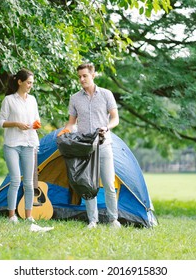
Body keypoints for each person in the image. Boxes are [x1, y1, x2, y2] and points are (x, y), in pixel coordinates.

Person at [58, 63, 121, 229]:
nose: (81, 79)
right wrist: (65, 131)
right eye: (79, 76)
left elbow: (115, 118)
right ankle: (93, 221)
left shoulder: (106, 94)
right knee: (88, 184)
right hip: (84, 148)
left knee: (108, 184)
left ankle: (113, 220)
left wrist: (107, 126)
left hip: (103, 144)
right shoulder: (75, 98)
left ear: (93, 75)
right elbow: (72, 123)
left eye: (84, 76)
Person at [0, 68, 41, 223]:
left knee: (29, 182)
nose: (30, 85)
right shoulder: (9, 100)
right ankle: (11, 216)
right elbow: (0, 122)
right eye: (28, 82)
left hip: (29, 143)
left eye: (32, 83)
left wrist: (35, 125)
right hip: (12, 145)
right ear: (19, 82)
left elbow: (37, 119)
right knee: (15, 179)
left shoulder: (33, 100)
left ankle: (29, 216)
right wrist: (15, 124)